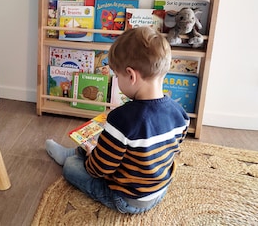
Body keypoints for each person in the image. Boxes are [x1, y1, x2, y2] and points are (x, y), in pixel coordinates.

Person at [46, 26, 189, 214]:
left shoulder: (122, 119)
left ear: (131, 75)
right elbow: (169, 150)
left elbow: (98, 169)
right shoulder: (180, 113)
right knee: (106, 145)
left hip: (128, 199)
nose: (116, 80)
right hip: (159, 189)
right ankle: (74, 152)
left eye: (116, 74)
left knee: (72, 168)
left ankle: (72, 157)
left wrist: (91, 158)